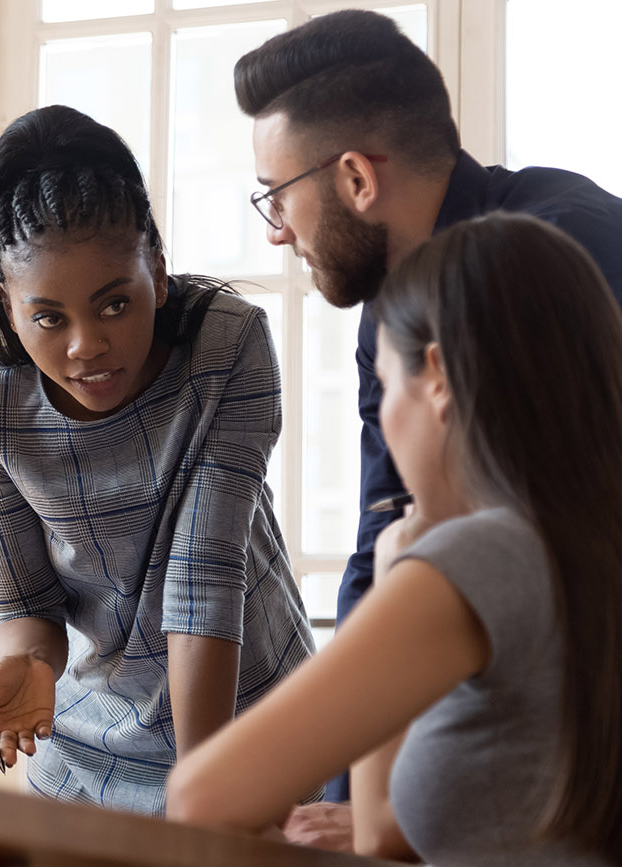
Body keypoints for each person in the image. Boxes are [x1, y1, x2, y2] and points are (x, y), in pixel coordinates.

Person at [234, 8, 622, 809]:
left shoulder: (561, 256)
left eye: (278, 197)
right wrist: (346, 805)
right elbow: (385, 537)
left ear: (356, 178)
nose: (277, 234)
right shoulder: (392, 311)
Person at [167, 213, 622, 866]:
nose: (384, 417)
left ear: (436, 375)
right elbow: (383, 834)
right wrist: (391, 562)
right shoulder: (589, 545)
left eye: (384, 384)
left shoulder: (487, 556)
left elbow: (202, 795)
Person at [0, 105, 316, 816]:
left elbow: (200, 584)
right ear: (8, 301)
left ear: (156, 264)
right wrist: (26, 665)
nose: (86, 346)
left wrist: (205, 809)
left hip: (251, 729)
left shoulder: (226, 347)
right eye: (49, 317)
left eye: (115, 304)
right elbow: (27, 605)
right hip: (94, 752)